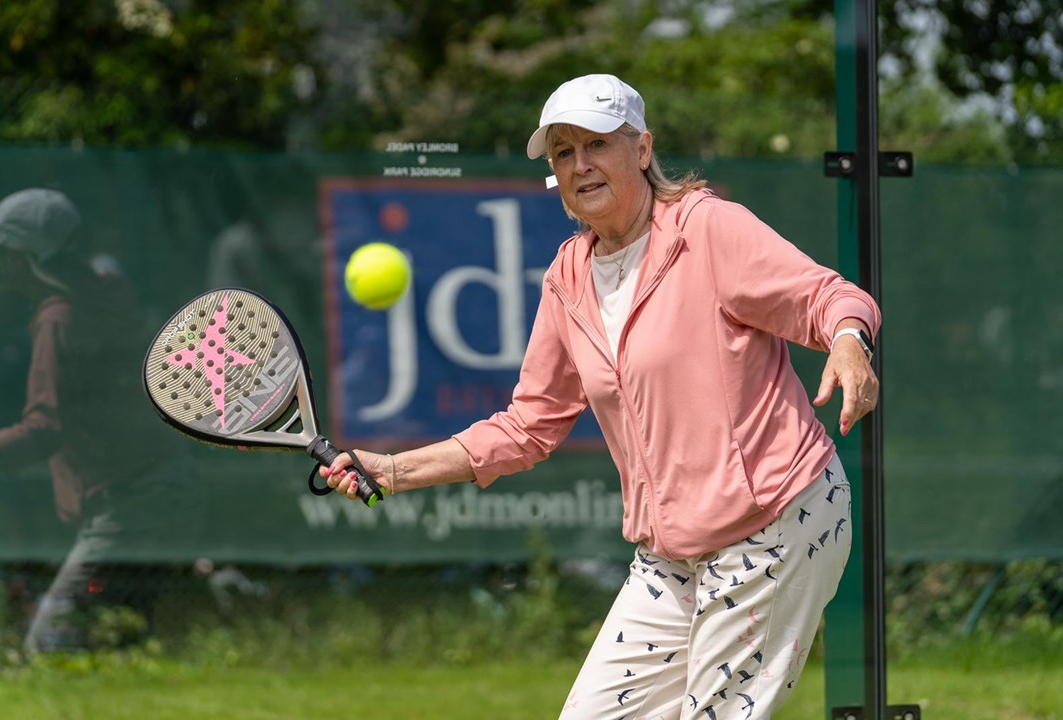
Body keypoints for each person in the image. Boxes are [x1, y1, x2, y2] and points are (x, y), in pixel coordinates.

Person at [320, 74, 881, 719]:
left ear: (642, 149)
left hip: (778, 523)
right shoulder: (567, 276)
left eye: (596, 144)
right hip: (668, 554)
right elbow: (527, 426)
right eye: (563, 152)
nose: (579, 165)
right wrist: (392, 470)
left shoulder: (707, 230)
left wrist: (846, 339)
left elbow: (826, 297)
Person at [0, 188, 201, 654]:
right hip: (169, 482)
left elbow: (43, 429)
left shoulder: (57, 320)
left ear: (28, 257)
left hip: (129, 502)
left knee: (50, 642)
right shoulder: (108, 290)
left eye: (5, 252)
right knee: (125, 637)